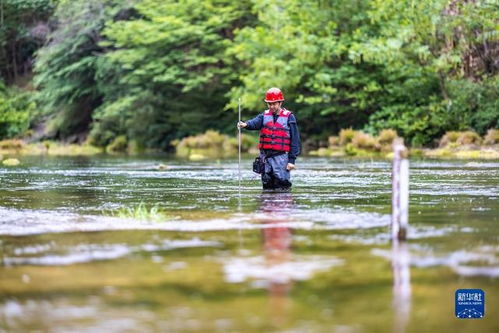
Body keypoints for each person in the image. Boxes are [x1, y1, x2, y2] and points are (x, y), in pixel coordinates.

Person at [237, 87, 301, 190]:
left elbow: (295, 140)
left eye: (274, 103)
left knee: (282, 187)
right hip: (265, 159)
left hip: (281, 158)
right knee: (267, 187)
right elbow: (254, 123)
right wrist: (245, 124)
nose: (271, 106)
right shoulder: (264, 115)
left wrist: (291, 161)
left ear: (280, 103)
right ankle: (266, 206)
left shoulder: (289, 117)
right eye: (269, 104)